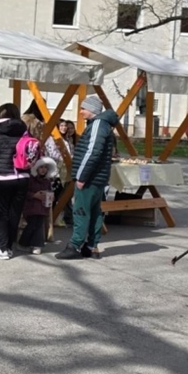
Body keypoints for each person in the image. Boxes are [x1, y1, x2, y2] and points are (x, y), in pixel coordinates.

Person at [56, 96, 119, 260]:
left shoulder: (98, 124)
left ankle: (74, 246)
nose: (81, 111)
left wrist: (82, 176)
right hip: (98, 178)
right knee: (95, 211)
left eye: (83, 108)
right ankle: (91, 246)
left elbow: (92, 152)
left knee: (81, 211)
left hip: (90, 178)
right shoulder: (103, 124)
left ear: (92, 109)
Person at [0, 103, 29, 260]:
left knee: (1, 212)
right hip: (23, 176)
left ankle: (2, 248)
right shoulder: (24, 130)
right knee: (15, 212)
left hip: (3, 177)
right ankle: (9, 246)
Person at [20, 156, 57, 255]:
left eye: (45, 168)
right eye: (41, 167)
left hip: (43, 206)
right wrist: (34, 195)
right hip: (31, 206)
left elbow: (50, 191)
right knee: (34, 224)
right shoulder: (30, 179)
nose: (43, 170)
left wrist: (51, 197)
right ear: (36, 168)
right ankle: (35, 244)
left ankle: (28, 243)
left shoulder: (47, 181)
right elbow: (24, 192)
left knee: (38, 224)